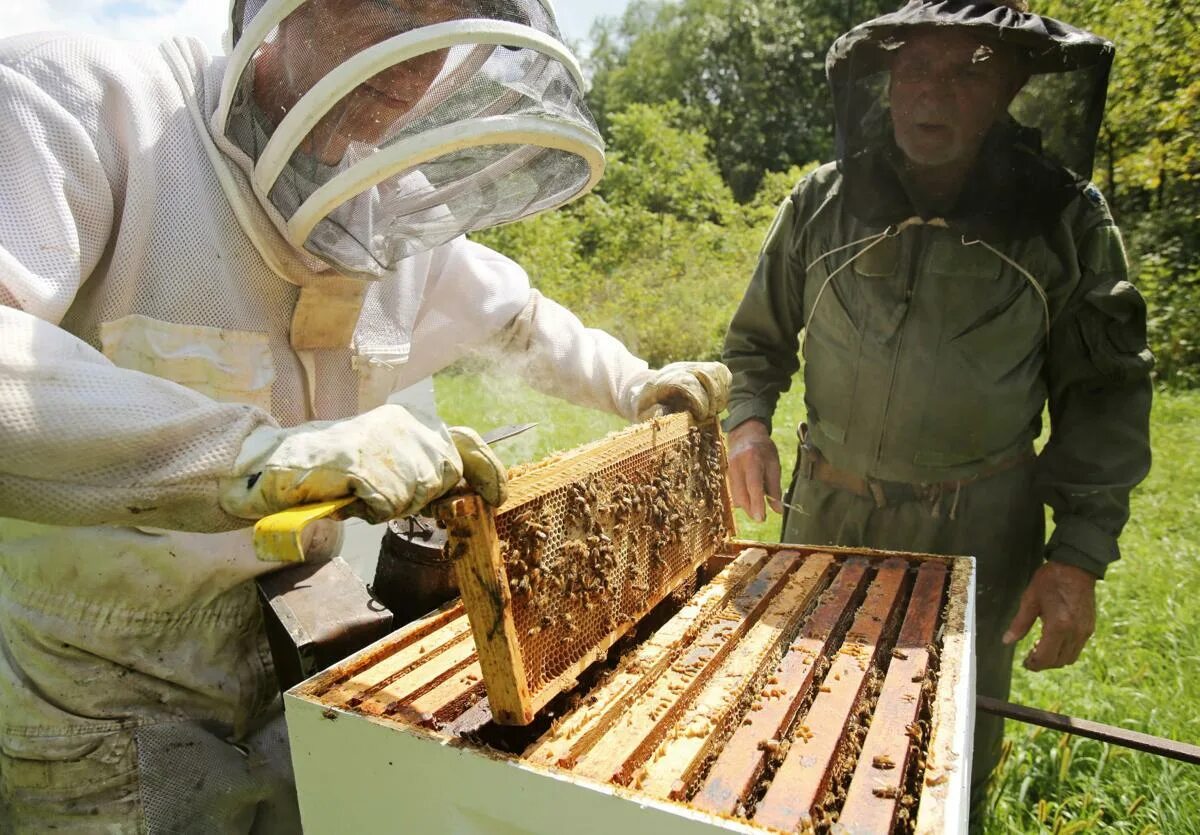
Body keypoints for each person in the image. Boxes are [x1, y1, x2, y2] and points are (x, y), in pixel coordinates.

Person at [0, 0, 730, 830]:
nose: (419, 60)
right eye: (394, 5)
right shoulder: (88, 104)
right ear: (285, 13)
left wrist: (638, 384)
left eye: (447, 26)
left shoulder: (394, 200)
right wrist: (260, 455)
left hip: (300, 650)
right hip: (99, 689)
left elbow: (518, 318)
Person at [721, 0, 1151, 825]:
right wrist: (747, 420)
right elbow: (757, 340)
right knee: (796, 724)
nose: (933, 93)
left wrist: (1080, 555)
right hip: (828, 515)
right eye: (916, 67)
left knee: (943, 758)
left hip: (980, 530)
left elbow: (1105, 393)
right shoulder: (821, 202)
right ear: (884, 83)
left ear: (1010, 88)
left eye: (968, 72)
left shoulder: (1063, 219)